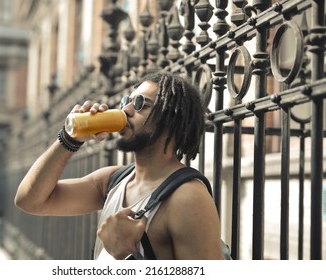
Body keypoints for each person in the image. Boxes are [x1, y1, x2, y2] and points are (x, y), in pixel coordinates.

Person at [15, 71, 222, 260]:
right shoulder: (113, 180)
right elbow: (30, 201)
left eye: (141, 103)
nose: (126, 110)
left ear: (172, 119)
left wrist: (126, 254)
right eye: (127, 101)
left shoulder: (187, 196)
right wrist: (70, 139)